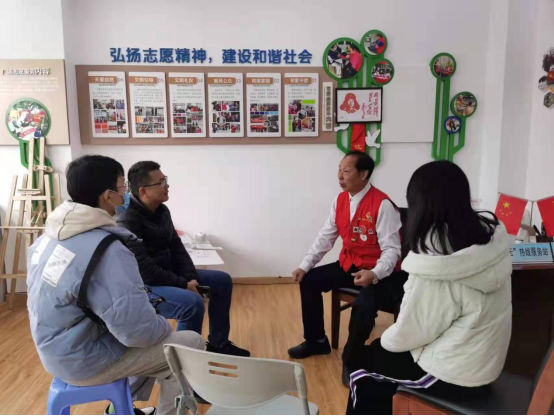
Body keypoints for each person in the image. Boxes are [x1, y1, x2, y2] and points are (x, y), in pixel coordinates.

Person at [27, 155, 205, 416]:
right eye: (123, 188)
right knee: (188, 344)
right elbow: (138, 332)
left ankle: (121, 408)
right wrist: (163, 326)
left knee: (149, 343)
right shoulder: (108, 250)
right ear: (108, 196)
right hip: (82, 359)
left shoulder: (48, 237)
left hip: (55, 349)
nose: (126, 194)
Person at [346, 161, 513, 415]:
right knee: (376, 354)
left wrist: (382, 342)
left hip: (452, 374)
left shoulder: (438, 263)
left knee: (360, 372)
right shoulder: (486, 241)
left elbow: (412, 332)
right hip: (483, 362)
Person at [288, 151, 405, 387]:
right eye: (339, 170)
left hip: (378, 272)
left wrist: (374, 273)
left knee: (364, 306)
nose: (340, 176)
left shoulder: (382, 205)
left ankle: (351, 361)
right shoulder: (340, 200)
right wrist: (305, 265)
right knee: (309, 281)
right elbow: (326, 237)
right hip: (349, 264)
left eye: (346, 171)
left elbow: (393, 251)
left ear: (363, 174)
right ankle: (316, 341)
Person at [117, 161, 250, 358]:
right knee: (192, 303)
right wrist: (183, 284)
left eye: (165, 180)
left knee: (222, 281)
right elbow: (144, 270)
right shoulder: (127, 219)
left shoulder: (162, 210)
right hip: (145, 285)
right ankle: (184, 362)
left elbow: (176, 246)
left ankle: (218, 344)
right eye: (161, 182)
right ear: (144, 191)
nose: (167, 185)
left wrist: (190, 278)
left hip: (168, 274)